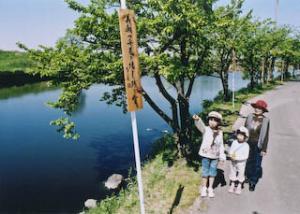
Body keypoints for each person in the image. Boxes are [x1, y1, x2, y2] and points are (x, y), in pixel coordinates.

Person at [193, 111, 226, 198]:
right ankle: (204, 188)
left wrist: (222, 157)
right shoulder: (206, 129)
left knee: (212, 173)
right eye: (210, 119)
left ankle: (210, 188)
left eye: (215, 120)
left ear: (219, 122)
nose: (212, 122)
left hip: (215, 157)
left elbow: (221, 145)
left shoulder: (220, 132)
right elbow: (200, 126)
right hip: (205, 156)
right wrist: (198, 120)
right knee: (205, 172)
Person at [244, 100, 270, 191]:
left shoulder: (266, 120)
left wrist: (264, 149)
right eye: (256, 107)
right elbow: (244, 129)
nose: (257, 109)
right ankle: (247, 176)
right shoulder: (249, 116)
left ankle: (253, 181)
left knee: (257, 164)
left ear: (263, 110)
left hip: (258, 144)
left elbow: (266, 135)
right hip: (248, 142)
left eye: (260, 108)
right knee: (248, 161)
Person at [228, 126, 250, 195]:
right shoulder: (234, 142)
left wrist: (237, 158)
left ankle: (240, 185)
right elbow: (231, 150)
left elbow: (245, 156)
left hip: (241, 162)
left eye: (242, 135)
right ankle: (232, 183)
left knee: (241, 173)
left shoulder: (246, 145)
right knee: (233, 171)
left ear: (245, 137)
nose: (239, 136)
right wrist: (231, 155)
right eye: (239, 134)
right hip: (233, 161)